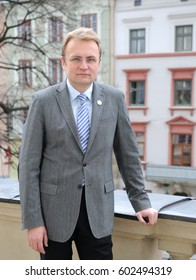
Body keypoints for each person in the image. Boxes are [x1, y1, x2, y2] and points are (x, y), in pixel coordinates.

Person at [19, 27, 158, 260]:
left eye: (90, 59)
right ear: (64, 62)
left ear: (99, 62)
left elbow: (128, 155)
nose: (84, 65)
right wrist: (33, 221)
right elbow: (28, 165)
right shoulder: (42, 101)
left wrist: (140, 201)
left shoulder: (114, 98)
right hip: (53, 215)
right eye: (76, 59)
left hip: (98, 212)